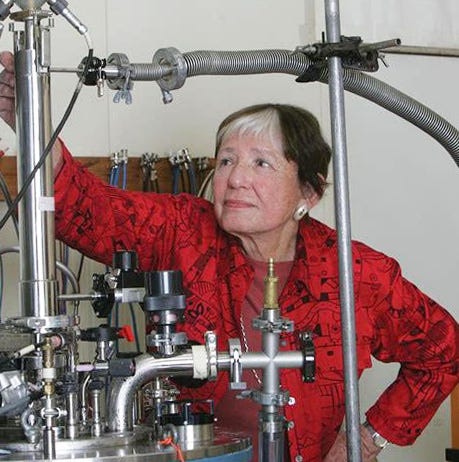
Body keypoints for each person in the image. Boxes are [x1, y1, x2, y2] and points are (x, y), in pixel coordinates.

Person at [0, 50, 458, 462]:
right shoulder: (183, 230)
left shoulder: (354, 272)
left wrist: (366, 438)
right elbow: (89, 209)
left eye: (261, 163)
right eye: (225, 161)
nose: (235, 179)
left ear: (309, 192)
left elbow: (444, 348)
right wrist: (33, 119)